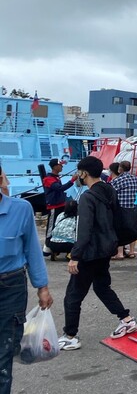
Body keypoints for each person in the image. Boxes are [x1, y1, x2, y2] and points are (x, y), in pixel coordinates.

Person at [59, 156, 137, 351]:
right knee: (102, 287)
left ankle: (70, 335)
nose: (78, 175)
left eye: (79, 172)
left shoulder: (88, 197)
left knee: (73, 295)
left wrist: (75, 256)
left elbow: (84, 229)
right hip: (106, 248)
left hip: (90, 251)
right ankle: (126, 319)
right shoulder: (109, 190)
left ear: (84, 173)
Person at [0, 165, 53, 394]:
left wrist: (42, 287)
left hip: (11, 286)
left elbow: (32, 249)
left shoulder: (21, 209)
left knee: (4, 351)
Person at [42, 158, 77, 257]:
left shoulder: (56, 178)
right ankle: (47, 247)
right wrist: (72, 180)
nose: (62, 166)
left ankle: (55, 246)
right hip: (54, 206)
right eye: (60, 165)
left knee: (59, 224)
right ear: (54, 166)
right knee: (51, 225)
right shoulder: (48, 179)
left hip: (61, 205)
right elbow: (59, 188)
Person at [111, 160, 137, 260]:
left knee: (120, 230)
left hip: (122, 208)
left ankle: (120, 253)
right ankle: (131, 252)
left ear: (120, 169)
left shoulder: (118, 180)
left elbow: (110, 192)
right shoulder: (136, 179)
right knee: (132, 229)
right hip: (134, 207)